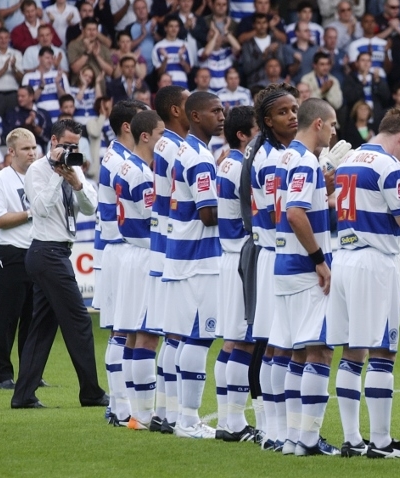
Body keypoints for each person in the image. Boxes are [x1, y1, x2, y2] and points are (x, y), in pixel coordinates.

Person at [328, 107, 400, 459]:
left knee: (352, 351)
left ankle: (352, 438)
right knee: (383, 351)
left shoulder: (349, 159)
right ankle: (380, 442)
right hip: (374, 261)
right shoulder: (389, 166)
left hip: (344, 257)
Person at [11, 119, 108, 409]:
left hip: (57, 253)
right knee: (79, 321)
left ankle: (23, 395)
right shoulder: (37, 170)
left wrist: (76, 183)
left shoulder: (74, 167)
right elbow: (40, 209)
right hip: (46, 252)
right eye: (66, 145)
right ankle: (91, 393)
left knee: (42, 327)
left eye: (75, 146)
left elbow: (91, 207)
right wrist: (56, 175)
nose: (70, 150)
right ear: (53, 142)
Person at [268, 97, 343, 456]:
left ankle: (293, 438)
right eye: (332, 124)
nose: (334, 132)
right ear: (318, 124)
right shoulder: (305, 161)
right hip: (303, 268)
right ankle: (308, 439)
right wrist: (319, 260)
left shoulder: (284, 157)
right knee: (320, 350)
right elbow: (296, 214)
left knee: (297, 352)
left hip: (284, 264)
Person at [162, 91, 224, 439]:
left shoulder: (187, 150)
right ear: (195, 116)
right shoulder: (199, 157)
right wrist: (242, 207)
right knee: (199, 338)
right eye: (215, 111)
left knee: (185, 337)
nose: (222, 116)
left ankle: (178, 416)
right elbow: (209, 214)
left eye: (223, 110)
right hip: (198, 258)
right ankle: (188, 421)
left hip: (183, 254)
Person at [248, 82, 299, 451]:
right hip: (276, 254)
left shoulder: (276, 153)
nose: (292, 116)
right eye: (283, 112)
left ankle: (273, 430)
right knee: (277, 345)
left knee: (277, 344)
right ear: (267, 120)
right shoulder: (270, 160)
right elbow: (280, 213)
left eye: (294, 109)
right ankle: (275, 429)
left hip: (274, 253)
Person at [110, 109, 164, 430]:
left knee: (132, 335)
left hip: (130, 253)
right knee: (146, 336)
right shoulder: (142, 174)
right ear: (145, 136)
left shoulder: (126, 166)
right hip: (144, 255)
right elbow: (152, 218)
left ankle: (134, 413)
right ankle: (143, 415)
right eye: (160, 135)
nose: (164, 141)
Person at [96, 99, 148, 427]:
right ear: (128, 126)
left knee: (123, 329)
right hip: (121, 247)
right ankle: (120, 406)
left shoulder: (115, 156)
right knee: (124, 328)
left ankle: (119, 405)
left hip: (115, 248)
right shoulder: (123, 162)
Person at [213, 105, 258, 442]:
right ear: (243, 135)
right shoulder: (240, 166)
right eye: (258, 130)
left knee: (232, 340)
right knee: (243, 341)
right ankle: (235, 422)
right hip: (242, 257)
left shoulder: (226, 162)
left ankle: (228, 421)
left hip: (229, 257)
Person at [150, 85, 192, 434]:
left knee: (172, 333)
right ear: (176, 110)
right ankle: (176, 415)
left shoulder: (163, 144)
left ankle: (163, 412)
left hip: (164, 238)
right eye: (188, 101)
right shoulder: (177, 147)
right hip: (178, 240)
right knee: (182, 332)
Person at [0, 127, 36, 390]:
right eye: (25, 149)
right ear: (11, 151)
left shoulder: (39, 176)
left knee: (33, 319)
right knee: (7, 317)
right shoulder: (1, 180)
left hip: (37, 252)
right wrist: (31, 213)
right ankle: (1, 374)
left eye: (33, 147)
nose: (31, 153)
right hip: (11, 252)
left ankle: (30, 373)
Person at [22, 47, 70, 123]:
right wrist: (41, 87)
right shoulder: (28, 77)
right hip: (39, 118)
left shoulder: (60, 75)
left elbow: (66, 99)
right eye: (47, 58)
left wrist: (57, 84)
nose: (50, 61)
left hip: (58, 117)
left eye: (52, 58)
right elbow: (26, 100)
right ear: (39, 58)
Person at [152, 17, 193, 89]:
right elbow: (159, 73)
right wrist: (165, 59)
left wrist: (181, 58)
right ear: (166, 28)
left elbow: (188, 71)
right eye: (171, 26)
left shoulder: (185, 45)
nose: (174, 29)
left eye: (176, 26)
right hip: (166, 86)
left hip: (182, 84)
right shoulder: (158, 46)